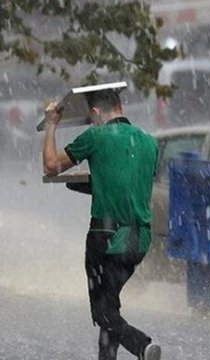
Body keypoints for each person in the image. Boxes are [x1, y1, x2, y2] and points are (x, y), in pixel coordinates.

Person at [42, 88, 161, 360]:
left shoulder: (95, 136)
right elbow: (127, 184)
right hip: (139, 241)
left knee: (103, 312)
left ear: (95, 112)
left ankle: (142, 345)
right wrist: (96, 179)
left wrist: (51, 125)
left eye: (91, 117)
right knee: (110, 307)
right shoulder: (149, 142)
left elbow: (50, 165)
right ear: (120, 105)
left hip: (105, 237)